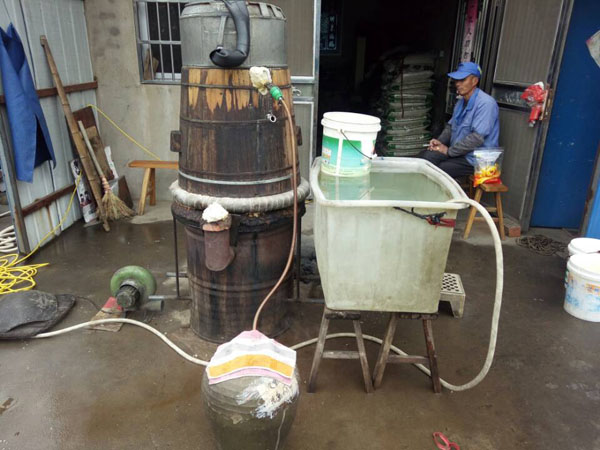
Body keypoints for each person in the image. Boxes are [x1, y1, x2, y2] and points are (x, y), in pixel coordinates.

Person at [418, 62, 499, 178]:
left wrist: (449, 151)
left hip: (477, 160)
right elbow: (450, 127)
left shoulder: (486, 103)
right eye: (457, 80)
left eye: (462, 80)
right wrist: (439, 142)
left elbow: (477, 138)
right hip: (459, 154)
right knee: (425, 157)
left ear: (474, 81)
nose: (457, 84)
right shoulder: (461, 102)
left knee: (437, 170)